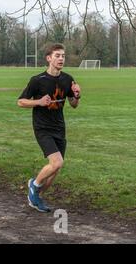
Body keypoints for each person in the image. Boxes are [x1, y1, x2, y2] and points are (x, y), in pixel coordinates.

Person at [18, 43, 81, 213]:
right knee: (57, 162)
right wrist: (38, 102)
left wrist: (77, 95)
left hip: (59, 128)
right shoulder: (37, 80)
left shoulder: (67, 79)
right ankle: (34, 185)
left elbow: (73, 105)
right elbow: (21, 101)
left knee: (55, 170)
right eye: (57, 56)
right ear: (48, 58)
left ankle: (37, 196)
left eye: (63, 56)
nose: (61, 59)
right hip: (42, 128)